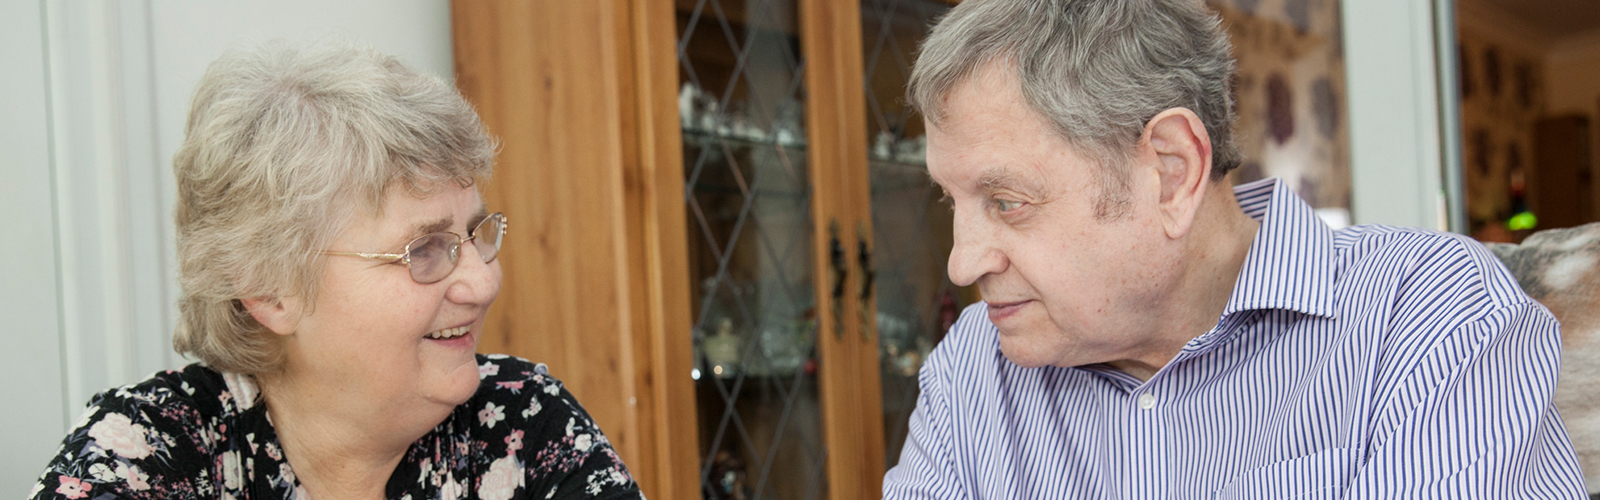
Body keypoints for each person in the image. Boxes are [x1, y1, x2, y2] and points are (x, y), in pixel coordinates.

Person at [884, 0, 1587, 498]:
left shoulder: (1430, 317)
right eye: (954, 202)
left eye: (1006, 202)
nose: (961, 261)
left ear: (1171, 170)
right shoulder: (973, 370)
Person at [30, 40, 642, 500]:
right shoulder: (149, 453)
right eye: (423, 249)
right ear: (270, 290)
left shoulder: (520, 421)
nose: (483, 282)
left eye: (474, 233)